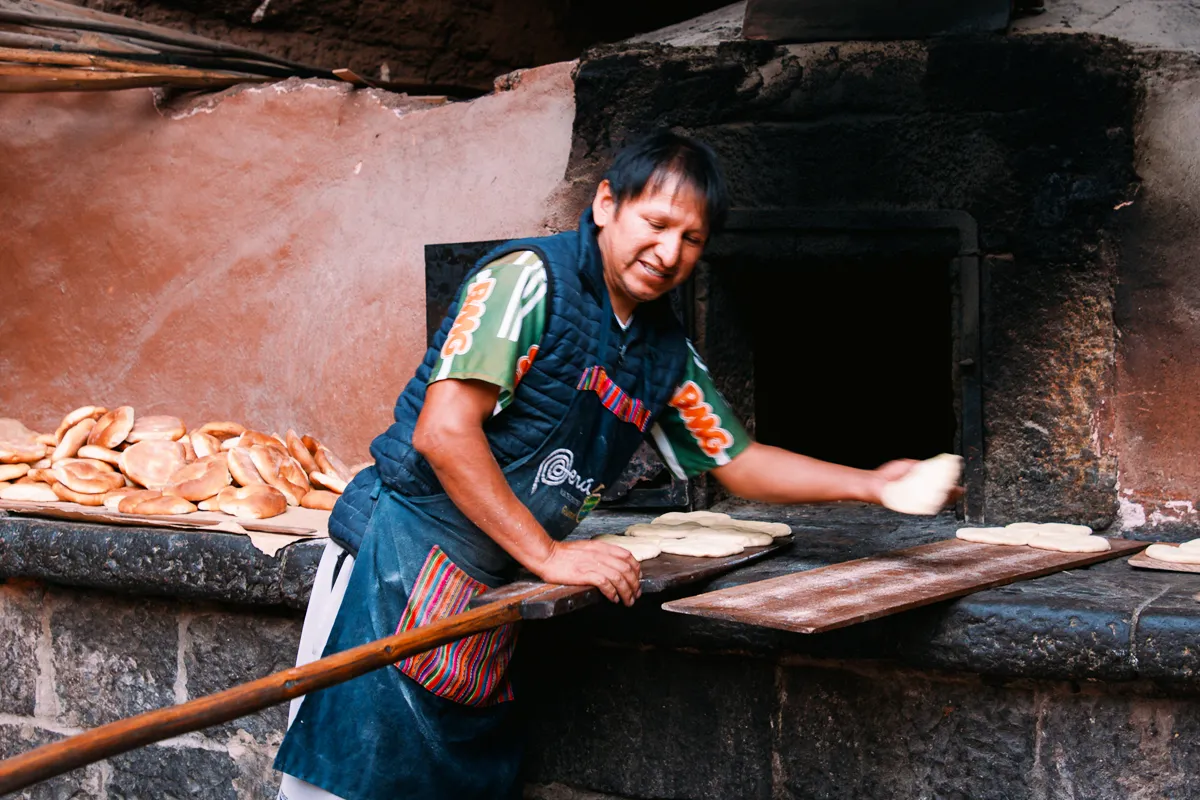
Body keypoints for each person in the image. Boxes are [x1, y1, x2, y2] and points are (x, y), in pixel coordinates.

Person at [273, 130, 949, 800]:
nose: (669, 252)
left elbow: (737, 462)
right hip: (396, 559)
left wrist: (870, 484)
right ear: (605, 205)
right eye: (655, 223)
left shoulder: (661, 354)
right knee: (345, 783)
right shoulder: (526, 282)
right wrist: (548, 555)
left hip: (490, 581)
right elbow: (444, 434)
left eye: (692, 239)